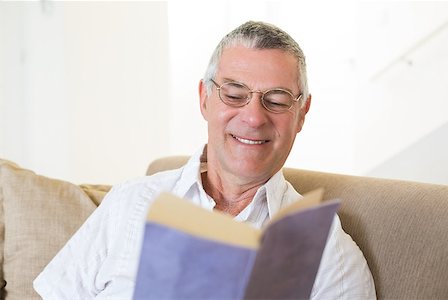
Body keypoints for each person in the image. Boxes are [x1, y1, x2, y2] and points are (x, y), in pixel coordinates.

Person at [34, 21, 376, 299]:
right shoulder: (129, 202)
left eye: (276, 99)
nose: (254, 117)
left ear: (301, 114)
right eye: (234, 94)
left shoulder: (329, 255)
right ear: (205, 98)